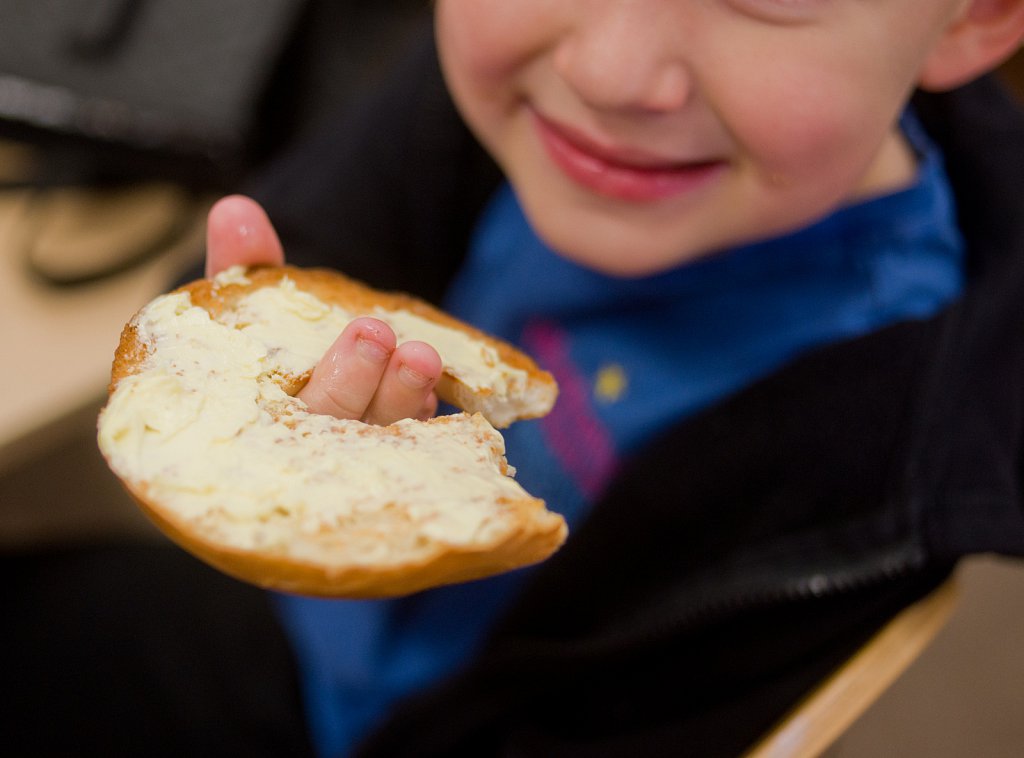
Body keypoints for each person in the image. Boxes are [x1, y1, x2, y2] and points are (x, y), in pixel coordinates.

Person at [6, 1, 1024, 756]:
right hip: (286, 632)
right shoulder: (486, 88)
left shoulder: (897, 459)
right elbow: (274, 252)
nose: (612, 70)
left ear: (970, 18)